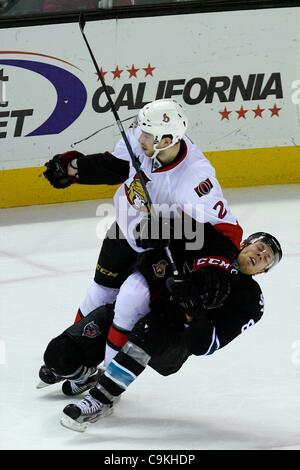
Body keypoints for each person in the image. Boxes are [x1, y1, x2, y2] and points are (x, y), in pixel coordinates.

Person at [42, 99, 242, 381]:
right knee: (98, 293)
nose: (140, 137)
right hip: (122, 230)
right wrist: (75, 168)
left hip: (157, 246)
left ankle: (107, 374)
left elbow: (226, 230)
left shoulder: (195, 180)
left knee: (127, 303)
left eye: (147, 134)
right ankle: (76, 354)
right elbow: (116, 166)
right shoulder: (144, 140)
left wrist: (213, 266)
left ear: (168, 139)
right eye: (141, 130)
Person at [39, 230, 282, 432]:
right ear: (244, 244)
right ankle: (85, 377)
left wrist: (191, 314)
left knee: (150, 329)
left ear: (262, 271)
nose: (260, 256)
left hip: (173, 342)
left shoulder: (251, 300)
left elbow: (208, 345)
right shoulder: (212, 246)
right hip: (138, 311)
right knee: (58, 355)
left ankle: (101, 399)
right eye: (259, 248)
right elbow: (157, 258)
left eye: (266, 259)